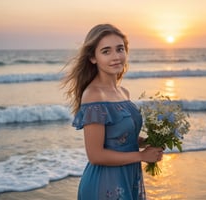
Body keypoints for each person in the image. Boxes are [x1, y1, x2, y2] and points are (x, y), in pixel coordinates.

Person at [61, 23, 163, 200]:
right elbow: (95, 155)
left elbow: (120, 137)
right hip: (105, 183)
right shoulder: (94, 95)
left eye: (120, 49)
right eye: (106, 51)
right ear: (93, 58)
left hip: (129, 176)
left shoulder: (123, 92)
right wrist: (141, 156)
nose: (116, 57)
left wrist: (148, 142)